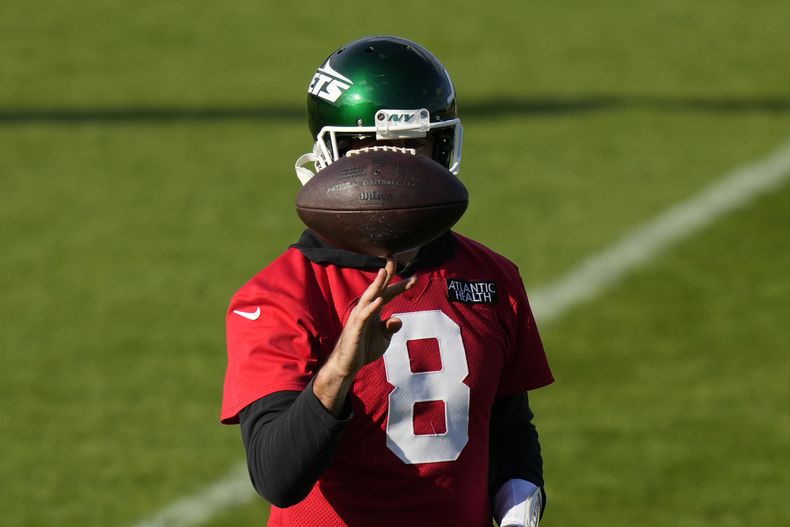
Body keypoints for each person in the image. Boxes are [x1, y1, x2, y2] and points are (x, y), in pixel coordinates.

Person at [221, 35, 554, 527]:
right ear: (330, 156)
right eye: (369, 152)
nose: (391, 172)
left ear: (441, 148)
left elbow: (507, 425)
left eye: (411, 148)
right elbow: (276, 477)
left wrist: (520, 499)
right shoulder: (279, 295)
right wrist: (339, 370)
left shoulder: (493, 277)